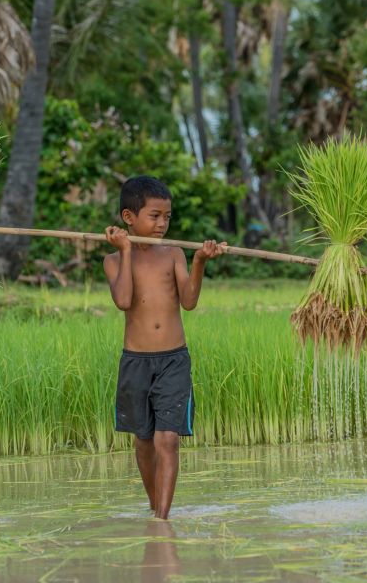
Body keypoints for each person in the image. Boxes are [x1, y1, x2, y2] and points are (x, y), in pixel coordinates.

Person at [103, 175, 226, 520]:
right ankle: (155, 505)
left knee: (167, 439)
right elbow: (124, 299)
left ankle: (162, 520)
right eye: (154, 216)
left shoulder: (173, 254)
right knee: (143, 441)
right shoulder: (113, 261)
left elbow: (188, 301)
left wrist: (199, 260)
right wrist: (126, 250)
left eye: (167, 217)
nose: (162, 224)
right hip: (136, 362)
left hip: (173, 360)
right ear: (129, 217)